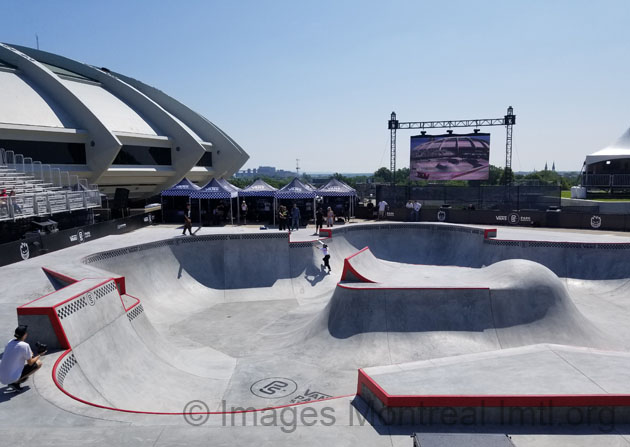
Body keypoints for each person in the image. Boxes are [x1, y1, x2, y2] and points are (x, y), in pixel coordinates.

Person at [0, 325, 46, 392]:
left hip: (2, 375)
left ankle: (16, 379)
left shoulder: (10, 342)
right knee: (38, 363)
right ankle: (15, 382)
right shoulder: (25, 345)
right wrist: (39, 355)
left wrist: (30, 354)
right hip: (9, 378)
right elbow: (30, 363)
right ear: (25, 334)